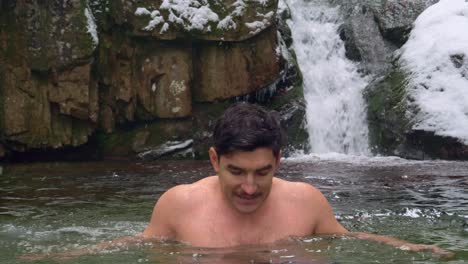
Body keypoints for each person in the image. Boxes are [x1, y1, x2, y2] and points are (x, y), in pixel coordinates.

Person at [141, 102, 450, 254]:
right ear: (214, 160)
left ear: (278, 160)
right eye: (236, 171)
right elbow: (140, 247)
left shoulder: (306, 202)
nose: (249, 187)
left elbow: (348, 239)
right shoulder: (178, 205)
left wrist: (409, 248)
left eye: (262, 172)